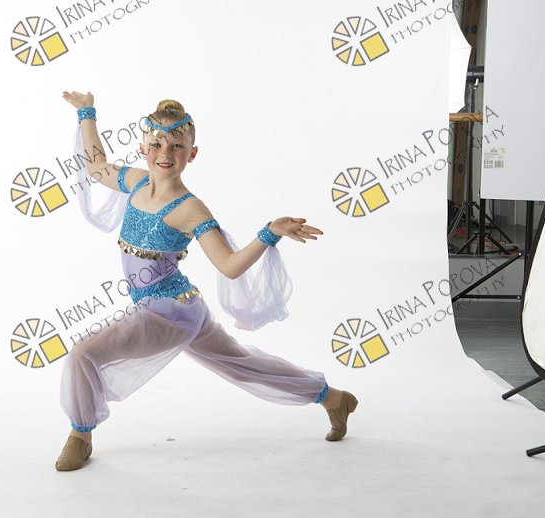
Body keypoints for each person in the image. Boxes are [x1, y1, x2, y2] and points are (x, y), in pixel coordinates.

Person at [55, 91, 358, 471]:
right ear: (143, 148)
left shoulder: (190, 208)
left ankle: (80, 435)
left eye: (177, 146)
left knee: (83, 352)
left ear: (192, 154)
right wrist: (87, 113)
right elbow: (97, 167)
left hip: (169, 314)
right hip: (185, 308)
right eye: (157, 144)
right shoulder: (135, 182)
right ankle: (334, 399)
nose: (165, 153)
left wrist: (268, 233)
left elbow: (229, 266)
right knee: (242, 364)